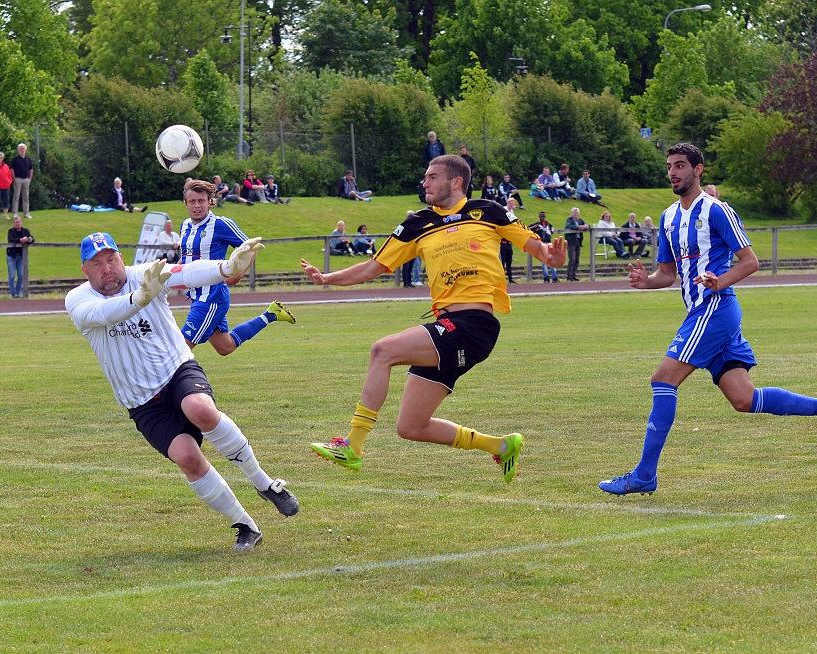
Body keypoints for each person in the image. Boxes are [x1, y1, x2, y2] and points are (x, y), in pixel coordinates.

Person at [598, 142, 817, 496]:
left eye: (680, 165)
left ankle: (645, 475)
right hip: (702, 310)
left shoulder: (716, 211)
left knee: (662, 380)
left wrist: (719, 281)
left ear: (698, 169)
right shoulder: (668, 217)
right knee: (744, 399)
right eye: (670, 166)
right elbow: (667, 274)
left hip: (716, 307)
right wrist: (646, 283)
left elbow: (750, 261)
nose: (673, 172)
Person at [300, 154, 567, 482]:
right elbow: (374, 266)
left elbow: (539, 249)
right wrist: (327, 279)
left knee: (382, 351)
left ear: (456, 182)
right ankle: (500, 446)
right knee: (411, 427)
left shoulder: (490, 212)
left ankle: (352, 446)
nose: (424, 182)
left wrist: (551, 258)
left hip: (473, 325)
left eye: (432, 177)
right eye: (425, 177)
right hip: (449, 327)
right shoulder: (417, 224)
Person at [66, 235, 299, 550]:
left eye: (111, 260)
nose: (107, 269)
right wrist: (138, 299)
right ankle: (247, 526)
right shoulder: (77, 300)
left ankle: (265, 484)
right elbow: (104, 315)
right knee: (188, 458)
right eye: (97, 264)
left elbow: (186, 273)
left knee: (200, 409)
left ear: (121, 258)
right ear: (85, 270)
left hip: (176, 369)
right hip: (141, 401)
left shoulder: (145, 273)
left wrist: (225, 267)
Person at [179, 179, 297, 356]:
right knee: (225, 347)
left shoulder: (221, 224)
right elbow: (186, 260)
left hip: (211, 298)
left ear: (210, 201)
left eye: (201, 201)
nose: (197, 206)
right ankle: (271, 314)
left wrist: (238, 273)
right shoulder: (185, 226)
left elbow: (252, 247)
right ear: (186, 203)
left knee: (180, 350)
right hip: (196, 295)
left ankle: (181, 384)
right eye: (192, 201)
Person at [6, 216, 34, 298]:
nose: (17, 224)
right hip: (11, 256)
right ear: (14, 223)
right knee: (11, 276)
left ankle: (18, 292)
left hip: (21, 256)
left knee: (21, 275)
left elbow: (32, 238)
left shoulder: (25, 231)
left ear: (21, 222)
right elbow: (11, 239)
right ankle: (13, 293)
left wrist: (29, 240)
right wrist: (20, 240)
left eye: (18, 222)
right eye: (16, 222)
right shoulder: (11, 231)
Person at [529, 211, 559, 282]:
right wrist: (535, 227)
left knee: (552, 260)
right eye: (541, 216)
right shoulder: (537, 225)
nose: (542, 217)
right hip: (541, 243)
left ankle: (555, 277)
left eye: (543, 216)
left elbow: (552, 230)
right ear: (539, 217)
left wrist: (552, 230)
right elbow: (527, 228)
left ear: (545, 217)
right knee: (544, 261)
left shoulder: (548, 224)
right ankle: (546, 277)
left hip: (548, 243)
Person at [564, 206, 590, 281]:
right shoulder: (569, 219)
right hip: (571, 241)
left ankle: (574, 275)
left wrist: (586, 226)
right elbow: (568, 226)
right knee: (572, 258)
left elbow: (587, 225)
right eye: (575, 212)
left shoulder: (580, 220)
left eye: (577, 213)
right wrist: (578, 227)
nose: (576, 214)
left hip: (578, 240)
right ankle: (569, 276)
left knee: (577, 259)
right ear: (572, 213)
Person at [11, 143, 33, 220]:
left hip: (26, 179)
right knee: (16, 197)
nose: (22, 150)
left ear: (25, 149)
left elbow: (31, 169)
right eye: (20, 149)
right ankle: (15, 213)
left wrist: (29, 179)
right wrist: (14, 178)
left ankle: (26, 212)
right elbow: (12, 169)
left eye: (23, 148)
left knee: (26, 197)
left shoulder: (28, 159)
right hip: (18, 179)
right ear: (18, 150)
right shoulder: (15, 159)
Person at [500, 198, 519, 283]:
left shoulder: (511, 211)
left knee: (509, 260)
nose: (512, 205)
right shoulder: (504, 210)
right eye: (510, 203)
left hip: (509, 241)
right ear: (508, 203)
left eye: (512, 203)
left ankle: (510, 278)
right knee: (502, 261)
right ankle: (502, 278)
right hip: (503, 242)